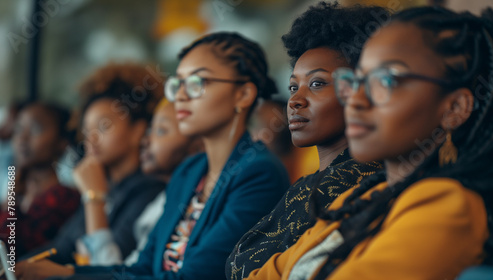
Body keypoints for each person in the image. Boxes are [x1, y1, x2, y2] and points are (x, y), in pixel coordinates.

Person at [246, 5, 493, 280]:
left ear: (454, 108)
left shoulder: (450, 206)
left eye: (385, 80)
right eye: (357, 81)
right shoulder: (360, 198)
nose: (355, 99)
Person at [17, 32, 290, 280]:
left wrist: (69, 278)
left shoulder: (258, 173)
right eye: (178, 84)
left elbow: (195, 278)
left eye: (197, 82)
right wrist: (63, 272)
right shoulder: (190, 171)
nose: (180, 96)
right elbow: (143, 268)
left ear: (243, 94)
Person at [226, 3, 386, 279]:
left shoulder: (358, 182)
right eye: (293, 87)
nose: (295, 101)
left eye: (317, 84)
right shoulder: (312, 183)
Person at [21, 63, 165, 267]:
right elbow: (61, 247)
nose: (92, 139)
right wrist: (16, 266)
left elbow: (108, 266)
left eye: (103, 126)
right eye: (87, 130)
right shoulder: (107, 185)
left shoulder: (149, 191)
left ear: (138, 131)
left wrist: (94, 197)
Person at [123, 99, 203, 265]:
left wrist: (93, 198)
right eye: (150, 130)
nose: (145, 141)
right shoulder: (163, 198)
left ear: (198, 146)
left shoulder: (195, 204)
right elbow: (136, 267)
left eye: (161, 131)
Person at [0, 103, 80, 256]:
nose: (22, 138)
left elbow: (12, 248)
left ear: (62, 143)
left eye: (36, 129)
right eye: (18, 129)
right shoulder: (19, 188)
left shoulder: (64, 197)